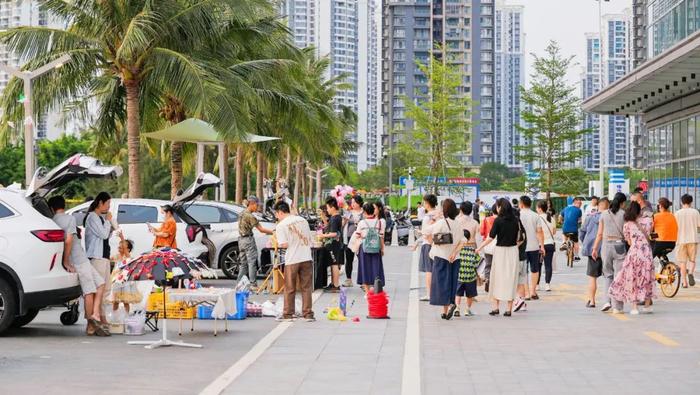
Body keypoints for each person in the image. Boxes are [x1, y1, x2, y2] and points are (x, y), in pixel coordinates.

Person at [49, 196, 109, 337]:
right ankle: (90, 323)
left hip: (81, 258)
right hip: (78, 259)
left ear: (52, 208)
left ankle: (94, 314)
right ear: (63, 205)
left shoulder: (53, 221)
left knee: (100, 284)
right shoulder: (68, 218)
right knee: (89, 291)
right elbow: (68, 240)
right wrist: (66, 261)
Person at [476, 198, 524, 317]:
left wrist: (479, 248)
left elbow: (490, 238)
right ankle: (508, 309)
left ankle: (496, 307)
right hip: (513, 251)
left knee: (496, 278)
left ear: (500, 207)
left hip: (500, 252)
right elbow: (521, 238)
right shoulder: (516, 220)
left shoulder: (498, 220)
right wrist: (514, 245)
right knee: (511, 279)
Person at [609, 201, 656, 314]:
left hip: (634, 253)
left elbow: (629, 241)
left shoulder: (627, 225)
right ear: (640, 210)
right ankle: (647, 305)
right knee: (647, 277)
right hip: (647, 254)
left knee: (633, 278)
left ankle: (634, 307)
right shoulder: (648, 221)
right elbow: (651, 233)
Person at [424, 198, 465, 320]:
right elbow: (463, 241)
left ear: (444, 209)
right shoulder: (458, 223)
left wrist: (434, 218)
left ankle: (445, 309)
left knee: (441, 284)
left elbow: (425, 231)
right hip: (455, 258)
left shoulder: (441, 223)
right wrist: (454, 252)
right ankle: (448, 308)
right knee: (452, 283)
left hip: (441, 256)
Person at [274, 201, 315, 322]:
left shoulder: (281, 226)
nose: (277, 217)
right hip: (306, 257)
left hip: (292, 259)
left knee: (289, 288)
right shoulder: (303, 220)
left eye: (276, 214)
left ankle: (288, 314)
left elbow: (284, 244)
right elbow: (309, 237)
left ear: (280, 212)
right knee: (306, 287)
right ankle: (308, 314)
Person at [84, 192, 118, 325]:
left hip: (103, 257)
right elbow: (103, 234)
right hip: (96, 257)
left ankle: (102, 317)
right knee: (99, 289)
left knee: (106, 289)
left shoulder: (100, 218)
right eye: (108, 203)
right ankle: (96, 319)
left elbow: (105, 236)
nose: (109, 206)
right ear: (100, 203)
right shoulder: (92, 217)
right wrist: (109, 221)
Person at [592, 192, 627, 313]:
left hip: (606, 245)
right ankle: (617, 306)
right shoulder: (624, 214)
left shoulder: (604, 214)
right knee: (618, 276)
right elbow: (627, 232)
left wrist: (595, 248)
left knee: (608, 275)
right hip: (619, 245)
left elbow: (600, 234)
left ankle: (607, 301)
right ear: (623, 203)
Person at [237, 196, 274, 288]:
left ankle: (239, 283)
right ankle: (253, 283)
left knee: (243, 263)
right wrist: (274, 232)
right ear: (252, 204)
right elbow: (261, 229)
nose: (258, 207)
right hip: (248, 240)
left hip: (241, 240)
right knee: (252, 262)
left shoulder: (242, 213)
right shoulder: (250, 216)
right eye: (257, 205)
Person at [353, 202, 386, 292]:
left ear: (364, 212)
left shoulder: (362, 223)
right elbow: (381, 237)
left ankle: (367, 292)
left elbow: (357, 236)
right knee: (376, 268)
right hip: (376, 248)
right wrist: (382, 249)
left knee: (365, 268)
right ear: (373, 211)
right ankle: (376, 289)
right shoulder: (379, 223)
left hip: (364, 248)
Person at [580, 198, 607, 308]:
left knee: (592, 277)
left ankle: (592, 301)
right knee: (609, 277)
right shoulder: (609, 217)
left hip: (593, 251)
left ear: (598, 206)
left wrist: (586, 244)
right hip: (607, 249)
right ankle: (609, 301)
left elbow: (582, 232)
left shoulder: (590, 217)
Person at [454, 201, 479, 317]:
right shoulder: (475, 223)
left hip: (459, 250)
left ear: (461, 209)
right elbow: (478, 240)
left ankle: (457, 307)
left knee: (458, 284)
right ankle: (467, 309)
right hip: (471, 249)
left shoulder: (456, 221)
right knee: (470, 287)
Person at [319, 197, 344, 292]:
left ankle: (336, 285)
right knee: (334, 263)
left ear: (333, 207)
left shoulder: (334, 218)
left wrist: (323, 235)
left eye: (328, 208)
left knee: (334, 264)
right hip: (334, 244)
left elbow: (334, 233)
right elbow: (329, 228)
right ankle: (333, 283)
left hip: (333, 244)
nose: (327, 210)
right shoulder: (336, 217)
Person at [674, 194, 700, 287]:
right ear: (691, 202)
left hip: (681, 240)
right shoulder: (695, 212)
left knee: (683, 262)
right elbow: (699, 225)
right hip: (693, 239)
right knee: (692, 260)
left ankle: (684, 282)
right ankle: (691, 273)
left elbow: (675, 227)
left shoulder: (677, 213)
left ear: (681, 202)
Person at [418, 194, 440, 301]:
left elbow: (426, 234)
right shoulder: (440, 214)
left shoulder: (427, 217)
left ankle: (430, 294)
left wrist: (430, 242)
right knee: (437, 270)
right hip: (440, 245)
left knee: (429, 271)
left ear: (427, 203)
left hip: (428, 245)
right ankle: (437, 292)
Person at [519, 196, 541, 300]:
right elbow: (539, 231)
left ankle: (526, 293)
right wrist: (542, 245)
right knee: (534, 269)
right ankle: (533, 291)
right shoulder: (536, 215)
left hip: (522, 247)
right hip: (534, 246)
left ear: (521, 203)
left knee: (524, 271)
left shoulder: (518, 215)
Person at [343, 195, 364, 287]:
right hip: (349, 238)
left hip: (360, 239)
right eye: (352, 202)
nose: (352, 204)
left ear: (359, 203)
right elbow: (342, 225)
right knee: (349, 259)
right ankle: (348, 279)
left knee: (362, 259)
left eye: (354, 202)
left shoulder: (364, 213)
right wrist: (345, 221)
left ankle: (363, 281)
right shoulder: (348, 213)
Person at [535, 200, 556, 292]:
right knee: (548, 265)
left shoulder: (537, 218)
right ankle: (547, 285)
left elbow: (536, 232)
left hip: (539, 245)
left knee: (538, 265)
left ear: (539, 209)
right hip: (550, 244)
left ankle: (537, 285)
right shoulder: (551, 218)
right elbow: (554, 232)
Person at [110, 236, 134, 313]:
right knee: (115, 301)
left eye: (122, 247)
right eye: (119, 247)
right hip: (116, 281)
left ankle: (126, 316)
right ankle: (114, 316)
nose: (120, 248)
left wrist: (121, 237)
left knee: (125, 301)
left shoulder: (128, 257)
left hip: (125, 281)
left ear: (128, 250)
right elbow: (108, 259)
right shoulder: (116, 256)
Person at [479, 203, 498, 292]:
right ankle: (496, 283)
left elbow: (482, 232)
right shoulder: (501, 220)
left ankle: (487, 279)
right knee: (498, 265)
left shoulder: (486, 220)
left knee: (488, 264)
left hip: (488, 244)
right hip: (498, 245)